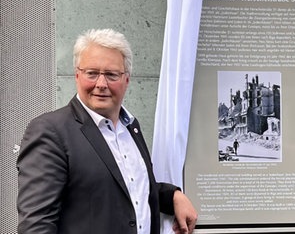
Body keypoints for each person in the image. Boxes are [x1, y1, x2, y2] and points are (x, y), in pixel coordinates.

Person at [17, 28, 198, 234]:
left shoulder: (130, 127)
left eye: (111, 75)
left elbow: (123, 185)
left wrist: (171, 196)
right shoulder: (50, 131)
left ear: (126, 80)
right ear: (77, 75)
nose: (101, 84)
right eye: (92, 73)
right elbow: (36, 225)